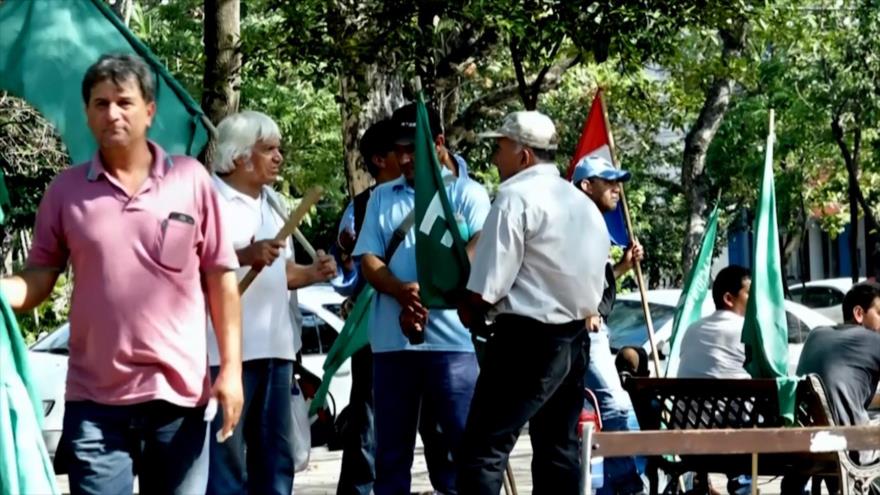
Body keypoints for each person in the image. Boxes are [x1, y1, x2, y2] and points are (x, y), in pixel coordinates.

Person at [0, 53, 243, 495]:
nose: (112, 113)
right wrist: (2, 292)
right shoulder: (65, 192)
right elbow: (39, 278)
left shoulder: (190, 180)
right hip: (94, 405)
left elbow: (221, 280)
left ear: (149, 111)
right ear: (88, 114)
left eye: (123, 102)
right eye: (99, 103)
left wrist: (230, 371)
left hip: (178, 398)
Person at [457, 111, 610, 494]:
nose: (494, 158)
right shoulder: (583, 204)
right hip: (573, 341)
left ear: (523, 155)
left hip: (525, 341)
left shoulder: (514, 197)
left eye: (499, 148)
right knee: (558, 452)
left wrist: (469, 309)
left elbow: (489, 283)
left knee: (482, 451)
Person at [352, 102, 491, 495]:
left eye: (413, 147)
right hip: (393, 344)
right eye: (399, 150)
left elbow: (480, 246)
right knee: (391, 455)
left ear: (440, 144)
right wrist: (400, 290)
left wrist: (434, 289)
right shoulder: (381, 198)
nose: (406, 158)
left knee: (462, 450)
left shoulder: (468, 194)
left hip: (454, 343)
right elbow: (369, 259)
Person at [206, 110, 337, 495]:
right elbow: (192, 268)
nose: (279, 157)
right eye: (268, 149)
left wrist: (313, 273)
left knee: (275, 461)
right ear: (238, 155)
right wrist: (244, 255)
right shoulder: (207, 201)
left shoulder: (275, 203)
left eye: (279, 149)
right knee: (225, 462)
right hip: (222, 356)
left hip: (278, 353)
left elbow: (281, 274)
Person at [571, 154, 646, 495]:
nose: (617, 188)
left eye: (618, 181)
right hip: (585, 333)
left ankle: (616, 484)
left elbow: (594, 280)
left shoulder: (592, 224)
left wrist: (622, 268)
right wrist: (586, 309)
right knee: (616, 407)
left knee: (597, 408)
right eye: (608, 181)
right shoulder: (579, 223)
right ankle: (626, 485)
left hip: (588, 331)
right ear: (586, 185)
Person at [781, 282, 880, 495]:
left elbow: (840, 392)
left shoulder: (816, 334)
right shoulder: (873, 340)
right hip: (847, 444)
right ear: (859, 313)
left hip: (805, 441)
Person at [676, 265, 752, 379]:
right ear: (728, 299)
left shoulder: (691, 329)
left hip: (687, 397)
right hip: (738, 396)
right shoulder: (748, 331)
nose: (755, 300)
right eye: (750, 294)